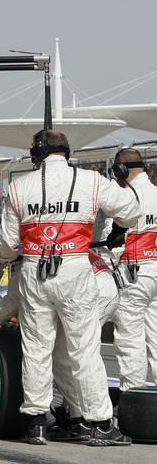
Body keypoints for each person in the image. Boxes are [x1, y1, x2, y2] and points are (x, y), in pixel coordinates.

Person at [0, 129, 140, 446]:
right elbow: (131, 210)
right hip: (74, 270)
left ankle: (36, 422)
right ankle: (99, 424)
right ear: (66, 153)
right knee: (84, 349)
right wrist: (119, 233)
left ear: (36, 156)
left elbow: (8, 246)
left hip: (34, 272)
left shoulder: (18, 187)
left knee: (37, 350)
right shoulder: (91, 180)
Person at [109, 148, 157, 393]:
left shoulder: (124, 198)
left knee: (131, 341)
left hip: (133, 275)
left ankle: (133, 399)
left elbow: (113, 247)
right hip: (156, 273)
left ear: (121, 170)